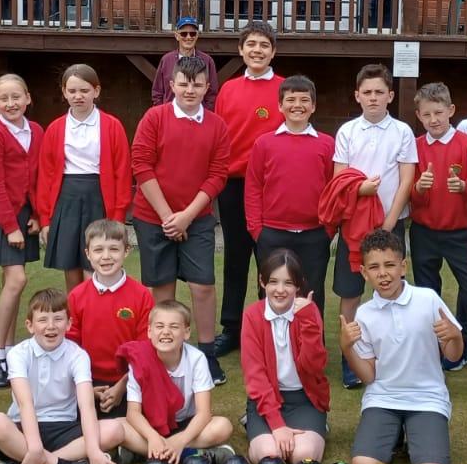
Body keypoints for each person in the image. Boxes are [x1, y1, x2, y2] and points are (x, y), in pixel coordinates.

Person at [130, 54, 231, 384]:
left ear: (207, 87)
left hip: (197, 218)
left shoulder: (217, 125)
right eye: (184, 84)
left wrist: (186, 217)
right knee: (163, 289)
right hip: (153, 216)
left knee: (203, 286)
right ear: (172, 85)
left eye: (197, 84)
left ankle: (206, 354)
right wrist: (167, 217)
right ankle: (166, 353)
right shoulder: (154, 118)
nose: (190, 90)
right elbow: (141, 165)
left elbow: (218, 175)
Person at [339, 229, 463, 464]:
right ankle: (395, 434)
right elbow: (368, 376)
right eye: (374, 267)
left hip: (427, 398)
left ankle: (408, 434)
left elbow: (453, 356)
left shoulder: (427, 299)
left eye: (390, 265)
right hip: (383, 398)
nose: (383, 273)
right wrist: (347, 348)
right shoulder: (364, 313)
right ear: (364, 273)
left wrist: (455, 337)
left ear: (403, 267)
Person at [0, 287, 125, 464]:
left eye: (58, 319)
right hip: (23, 429)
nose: (51, 326)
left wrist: (94, 452)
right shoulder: (17, 354)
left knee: (115, 430)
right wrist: (34, 447)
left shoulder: (78, 355)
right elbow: (25, 404)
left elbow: (86, 406)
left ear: (69, 324)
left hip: (63, 427)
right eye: (42, 320)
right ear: (30, 325)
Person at [332, 63, 417, 346]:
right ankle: (351, 351)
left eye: (379, 92)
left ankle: (392, 347)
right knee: (350, 290)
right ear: (357, 95)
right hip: (354, 224)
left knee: (390, 287)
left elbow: (406, 180)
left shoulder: (403, 131)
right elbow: (339, 179)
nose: (373, 98)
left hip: (390, 223)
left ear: (390, 96)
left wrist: (389, 223)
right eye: (367, 92)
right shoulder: (347, 131)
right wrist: (360, 189)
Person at [213, 21, 282, 360]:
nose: (257, 50)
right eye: (251, 44)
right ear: (241, 50)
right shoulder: (227, 90)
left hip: (272, 187)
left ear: (273, 52)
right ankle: (231, 327)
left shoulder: (285, 88)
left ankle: (268, 325)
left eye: (264, 45)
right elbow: (219, 137)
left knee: (271, 258)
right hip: (235, 185)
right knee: (236, 258)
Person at [408, 82, 467, 375]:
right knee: (427, 295)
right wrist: (419, 188)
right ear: (419, 115)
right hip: (424, 232)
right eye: (427, 114)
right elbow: (410, 195)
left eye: (438, 113)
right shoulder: (415, 146)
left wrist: (464, 187)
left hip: (461, 233)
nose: (434, 119)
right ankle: (435, 353)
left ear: (450, 110)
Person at [0, 73, 43, 390]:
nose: (11, 103)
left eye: (16, 97)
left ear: (28, 98)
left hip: (25, 215)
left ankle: (12, 348)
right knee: (17, 280)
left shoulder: (37, 131)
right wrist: (10, 227)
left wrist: (38, 214)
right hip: (0, 215)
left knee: (10, 283)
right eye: (3, 98)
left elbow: (40, 176)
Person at [35, 63, 132, 291]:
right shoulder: (55, 128)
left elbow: (122, 172)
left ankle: (96, 309)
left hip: (98, 197)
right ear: (64, 92)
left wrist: (118, 216)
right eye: (72, 91)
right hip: (66, 198)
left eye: (84, 90)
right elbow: (46, 176)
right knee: (70, 265)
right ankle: (75, 311)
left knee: (96, 264)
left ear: (96, 91)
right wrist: (45, 219)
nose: (78, 96)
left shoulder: (112, 126)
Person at [245, 75, 336, 315]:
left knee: (311, 294)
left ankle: (310, 339)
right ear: (280, 105)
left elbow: (333, 188)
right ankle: (271, 338)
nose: (297, 105)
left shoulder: (327, 144)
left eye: (304, 100)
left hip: (314, 234)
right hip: (272, 233)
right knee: (272, 294)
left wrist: (328, 229)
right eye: (291, 100)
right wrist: (257, 230)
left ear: (313, 106)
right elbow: (253, 187)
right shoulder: (264, 143)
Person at [118, 301, 235, 464]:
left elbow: (204, 414)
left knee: (223, 426)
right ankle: (190, 453)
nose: (166, 332)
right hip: (150, 426)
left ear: (186, 333)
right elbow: (133, 414)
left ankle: (144, 452)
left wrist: (180, 440)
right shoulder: (140, 358)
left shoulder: (196, 359)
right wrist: (152, 436)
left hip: (187, 425)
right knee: (115, 428)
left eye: (174, 327)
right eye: (159, 326)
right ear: (149, 331)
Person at [241, 250, 330, 464]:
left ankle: (318, 426)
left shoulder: (309, 311)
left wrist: (308, 322)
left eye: (288, 283)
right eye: (273, 282)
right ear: (262, 282)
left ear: (298, 285)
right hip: (267, 400)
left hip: (304, 400)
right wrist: (277, 425)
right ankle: (255, 423)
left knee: (302, 456)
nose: (280, 290)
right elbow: (255, 376)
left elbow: (314, 367)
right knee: (270, 457)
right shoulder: (252, 315)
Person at [65, 219, 155, 422]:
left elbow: (145, 348)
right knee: (78, 424)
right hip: (86, 379)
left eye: (114, 249)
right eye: (98, 250)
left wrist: (123, 385)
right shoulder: (76, 296)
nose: (106, 256)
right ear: (88, 254)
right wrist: (86, 386)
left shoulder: (141, 295)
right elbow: (69, 347)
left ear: (126, 251)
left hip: (131, 379)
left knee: (140, 421)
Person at [150, 16, 220, 110]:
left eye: (192, 34)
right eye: (184, 34)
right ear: (176, 36)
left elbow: (212, 94)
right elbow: (157, 92)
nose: (188, 37)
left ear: (197, 36)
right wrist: (162, 113)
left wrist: (205, 114)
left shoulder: (207, 61)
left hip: (198, 116)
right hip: (170, 115)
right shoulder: (166, 60)